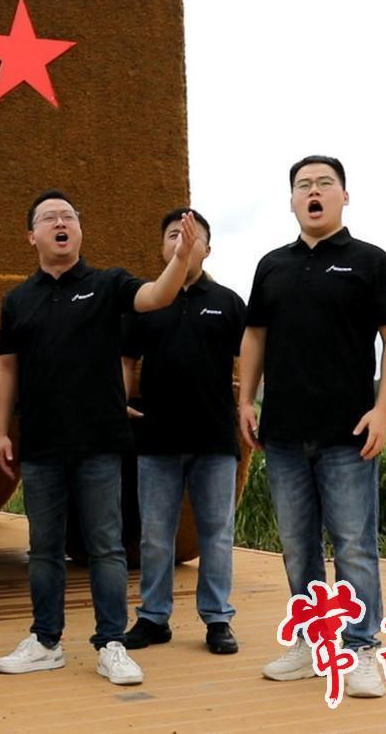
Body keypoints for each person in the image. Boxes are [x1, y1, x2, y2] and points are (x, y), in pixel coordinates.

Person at [0, 189, 199, 687]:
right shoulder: (18, 300)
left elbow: (157, 296)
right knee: (43, 547)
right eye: (49, 218)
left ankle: (111, 643)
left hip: (100, 442)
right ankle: (45, 641)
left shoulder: (108, 284)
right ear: (32, 236)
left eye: (69, 216)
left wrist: (181, 258)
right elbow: (5, 369)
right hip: (41, 443)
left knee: (106, 546)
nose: (60, 223)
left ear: (79, 230)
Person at [238, 155, 386, 699]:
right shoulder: (272, 266)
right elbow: (255, 336)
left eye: (324, 183)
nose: (313, 192)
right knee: (297, 546)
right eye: (303, 185)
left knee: (354, 544)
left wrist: (383, 410)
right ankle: (313, 643)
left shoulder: (370, 261)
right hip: (284, 432)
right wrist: (245, 399)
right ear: (292, 200)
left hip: (348, 430)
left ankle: (361, 648)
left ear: (344, 196)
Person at [120, 208, 244, 655]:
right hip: (156, 437)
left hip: (215, 437)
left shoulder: (229, 302)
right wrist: (119, 401)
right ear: (163, 248)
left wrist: (248, 401)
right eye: (174, 234)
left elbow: (251, 356)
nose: (183, 242)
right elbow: (126, 359)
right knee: (155, 535)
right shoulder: (147, 301)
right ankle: (153, 617)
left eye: (192, 236)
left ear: (207, 249)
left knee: (217, 534)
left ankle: (217, 618)